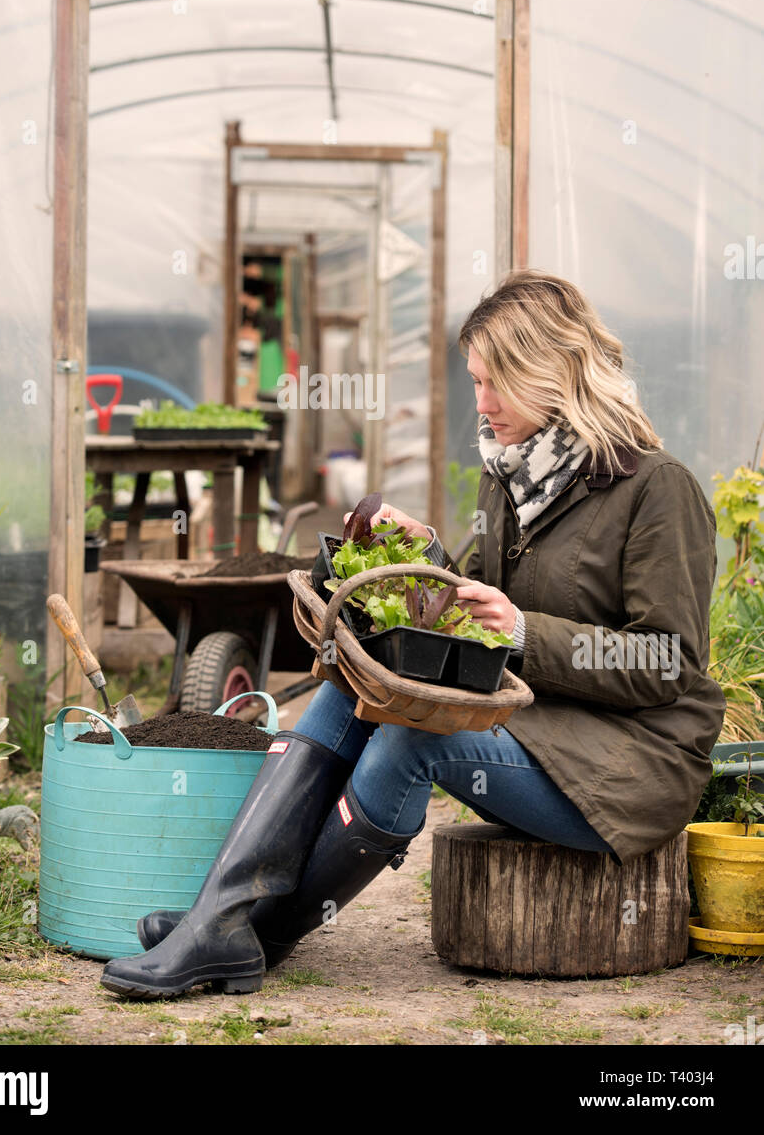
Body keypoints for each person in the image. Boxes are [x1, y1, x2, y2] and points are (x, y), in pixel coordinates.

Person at [100, 269, 725, 999]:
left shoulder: (655, 488)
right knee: (350, 685)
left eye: (494, 384)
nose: (481, 406)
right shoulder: (514, 479)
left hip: (626, 767)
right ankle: (223, 913)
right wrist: (424, 556)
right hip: (540, 726)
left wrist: (523, 630)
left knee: (416, 735)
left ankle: (258, 934)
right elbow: (475, 611)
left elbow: (667, 663)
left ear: (551, 374)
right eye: (475, 384)